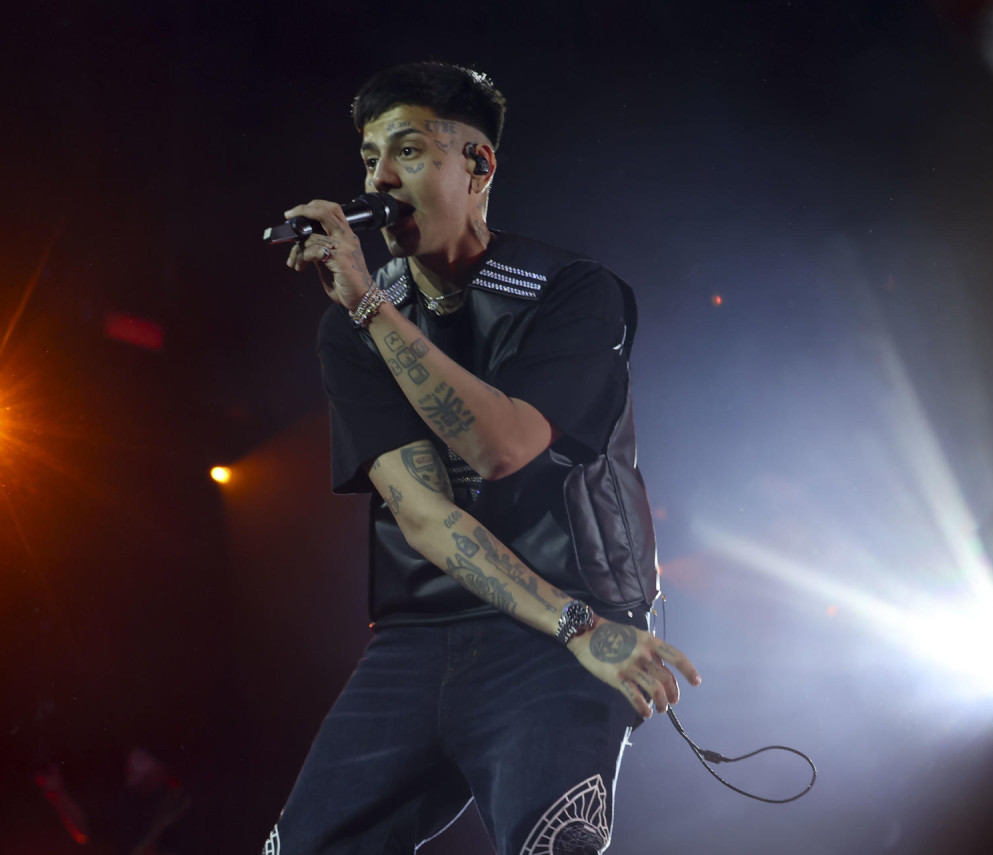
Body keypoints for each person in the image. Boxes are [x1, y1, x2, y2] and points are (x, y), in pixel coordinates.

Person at [268, 61, 700, 855]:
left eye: (408, 150)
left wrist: (579, 628)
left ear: (478, 165)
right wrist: (367, 307)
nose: (382, 177)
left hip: (568, 623)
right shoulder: (357, 320)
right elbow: (426, 517)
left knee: (549, 840)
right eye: (369, 158)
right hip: (420, 636)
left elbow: (498, 447)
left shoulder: (571, 293)